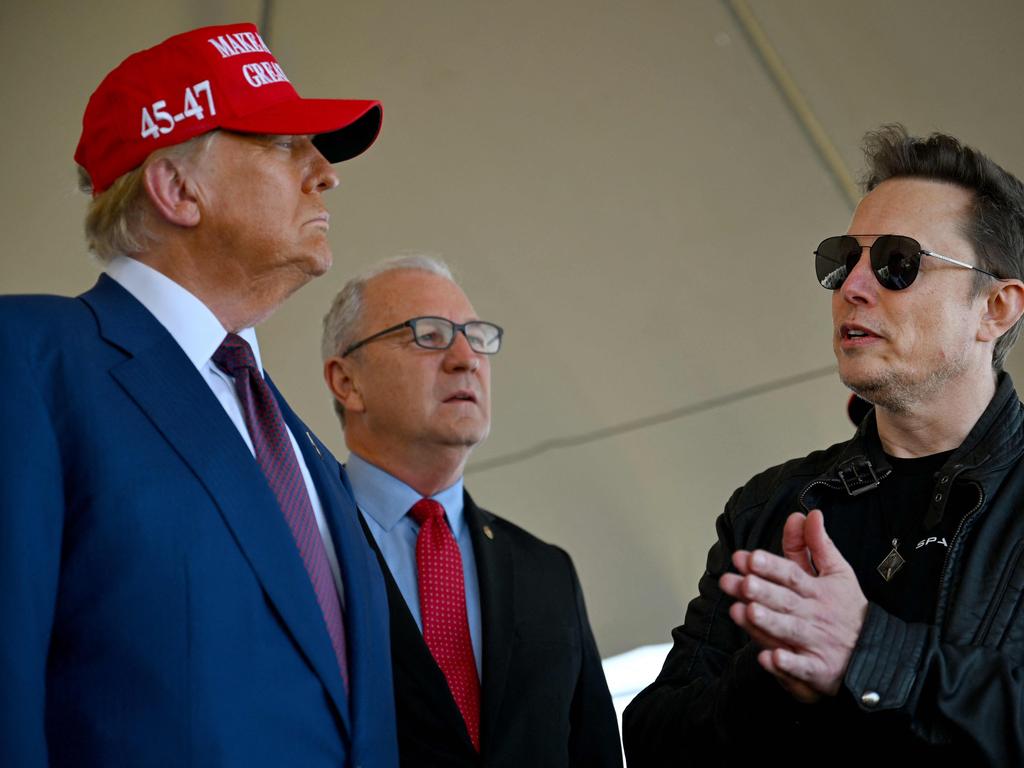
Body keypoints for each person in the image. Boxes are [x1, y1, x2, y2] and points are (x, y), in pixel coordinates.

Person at [0, 23, 398, 768]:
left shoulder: (297, 440)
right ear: (177, 189)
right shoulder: (26, 358)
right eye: (284, 143)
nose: (325, 172)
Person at [623, 125, 1024, 766]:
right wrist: (776, 678)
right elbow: (652, 741)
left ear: (996, 308)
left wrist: (867, 653)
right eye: (843, 260)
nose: (852, 287)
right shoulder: (771, 505)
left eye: (899, 262)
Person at [321, 256, 622, 766]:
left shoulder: (548, 572)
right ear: (347, 382)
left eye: (476, 336)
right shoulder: (299, 543)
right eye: (428, 335)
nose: (467, 358)